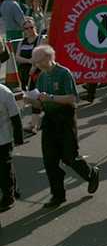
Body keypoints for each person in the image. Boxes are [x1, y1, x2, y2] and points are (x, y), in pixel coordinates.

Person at [29, 45, 101, 207]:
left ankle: (91, 174)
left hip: (65, 118)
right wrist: (33, 100)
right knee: (50, 160)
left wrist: (51, 98)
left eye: (39, 61)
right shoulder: (41, 77)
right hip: (49, 120)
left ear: (48, 58)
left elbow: (71, 98)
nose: (37, 65)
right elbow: (41, 103)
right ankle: (58, 195)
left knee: (69, 156)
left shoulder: (63, 73)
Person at [0, 82, 23, 213]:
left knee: (4, 167)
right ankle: (13, 188)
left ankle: (9, 197)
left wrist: (19, 137)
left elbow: (15, 116)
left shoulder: (4, 92)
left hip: (3, 138)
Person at [15, 16, 43, 91]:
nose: (30, 30)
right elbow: (17, 57)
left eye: (31, 27)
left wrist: (33, 67)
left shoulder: (40, 39)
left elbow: (40, 56)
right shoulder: (21, 42)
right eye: (26, 28)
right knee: (27, 95)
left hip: (36, 72)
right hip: (23, 73)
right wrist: (29, 61)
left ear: (35, 27)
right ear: (24, 30)